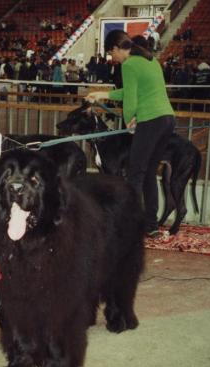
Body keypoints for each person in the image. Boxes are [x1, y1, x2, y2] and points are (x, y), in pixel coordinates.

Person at [86, 30, 175, 238]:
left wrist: (129, 121)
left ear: (117, 48)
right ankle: (150, 225)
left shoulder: (129, 64)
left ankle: (129, 224)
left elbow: (131, 101)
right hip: (167, 119)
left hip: (150, 120)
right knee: (149, 172)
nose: (111, 58)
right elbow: (132, 91)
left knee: (135, 173)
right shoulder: (149, 60)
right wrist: (103, 94)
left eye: (110, 53)